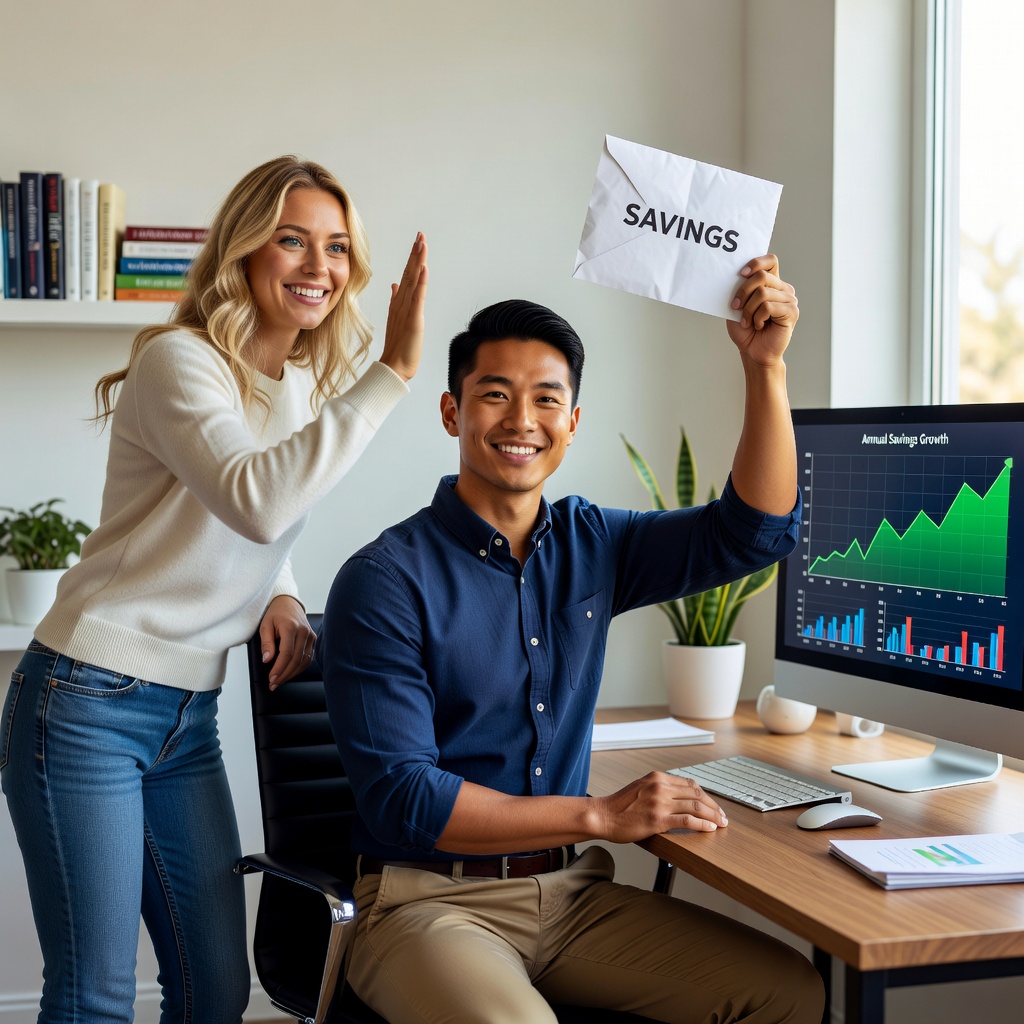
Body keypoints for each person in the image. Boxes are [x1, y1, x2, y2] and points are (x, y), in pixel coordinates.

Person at [319, 256, 825, 1024]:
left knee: (789, 993)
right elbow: (406, 799)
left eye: (546, 400)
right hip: (427, 903)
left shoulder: (595, 544)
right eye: (496, 396)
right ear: (453, 413)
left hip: (573, 896)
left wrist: (767, 367)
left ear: (572, 424)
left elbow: (754, 533)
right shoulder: (384, 579)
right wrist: (600, 815)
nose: (523, 421)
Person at [0, 155, 428, 1024]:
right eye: (293, 241)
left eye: (337, 248)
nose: (319, 267)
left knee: (214, 991)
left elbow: (265, 520)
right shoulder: (177, 362)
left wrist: (280, 593)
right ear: (243, 251)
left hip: (188, 717)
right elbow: (256, 497)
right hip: (85, 701)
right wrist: (393, 373)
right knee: (95, 993)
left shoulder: (303, 385)